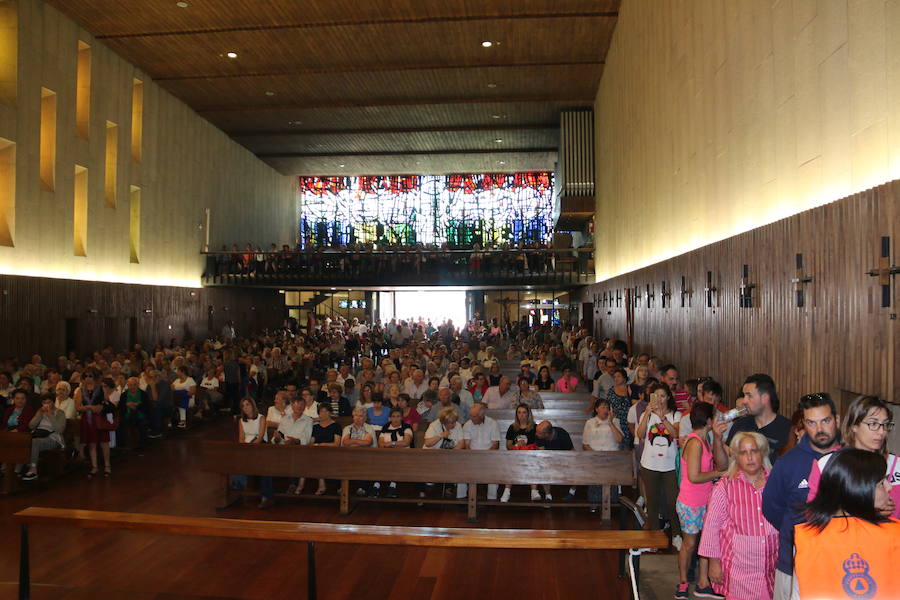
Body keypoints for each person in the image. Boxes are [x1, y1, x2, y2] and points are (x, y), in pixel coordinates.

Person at [761, 392, 842, 600]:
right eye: (811, 423)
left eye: (825, 420)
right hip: (793, 564)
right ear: (803, 425)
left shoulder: (852, 460)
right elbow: (771, 508)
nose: (820, 429)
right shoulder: (787, 463)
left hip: (843, 564)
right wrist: (797, 531)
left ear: (837, 419)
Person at [793, 449, 900, 599]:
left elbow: (798, 594)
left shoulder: (807, 536)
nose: (889, 487)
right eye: (882, 483)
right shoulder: (895, 533)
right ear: (857, 488)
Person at [699, 432, 778, 600]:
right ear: (736, 456)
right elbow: (711, 527)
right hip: (739, 568)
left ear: (762, 453)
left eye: (754, 451)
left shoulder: (776, 482)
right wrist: (714, 563)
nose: (749, 457)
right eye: (743, 452)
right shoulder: (726, 486)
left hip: (772, 567)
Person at [674, 402, 727, 600]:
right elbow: (694, 476)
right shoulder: (695, 442)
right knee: (689, 544)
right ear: (707, 421)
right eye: (713, 417)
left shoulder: (706, 440)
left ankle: (704, 582)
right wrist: (718, 473)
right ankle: (682, 582)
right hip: (690, 502)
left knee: (706, 541)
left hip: (705, 500)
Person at [635, 381, 683, 548]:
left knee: (673, 502)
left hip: (670, 466)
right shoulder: (646, 415)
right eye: (657, 396)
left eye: (663, 396)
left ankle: (677, 534)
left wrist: (662, 417)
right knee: (652, 503)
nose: (660, 399)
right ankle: (654, 537)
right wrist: (648, 413)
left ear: (668, 397)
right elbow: (640, 434)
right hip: (650, 464)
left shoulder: (676, 415)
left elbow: (675, 433)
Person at [841, 395, 898, 517]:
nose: (882, 431)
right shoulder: (830, 463)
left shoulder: (897, 464)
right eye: (873, 423)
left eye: (885, 424)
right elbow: (817, 514)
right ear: (854, 426)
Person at [724, 374, 791, 463]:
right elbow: (726, 464)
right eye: (744, 395)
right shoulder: (739, 425)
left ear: (765, 398)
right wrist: (717, 438)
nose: (744, 401)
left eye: (749, 396)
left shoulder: (787, 429)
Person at [582, 398, 624, 512]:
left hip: (612, 456)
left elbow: (619, 439)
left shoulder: (615, 421)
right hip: (595, 456)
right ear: (596, 409)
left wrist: (610, 423)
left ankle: (612, 503)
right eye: (603, 407)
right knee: (595, 479)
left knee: (611, 479)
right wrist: (595, 455)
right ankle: (594, 503)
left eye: (607, 407)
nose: (605, 410)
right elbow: (585, 444)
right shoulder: (590, 422)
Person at [236, 397, 273, 509]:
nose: (245, 408)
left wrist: (252, 448)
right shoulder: (241, 420)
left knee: (265, 467)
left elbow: (260, 436)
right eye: (243, 406)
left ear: (253, 405)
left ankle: (266, 497)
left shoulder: (261, 418)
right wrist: (244, 447)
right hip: (247, 446)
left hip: (260, 445)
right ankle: (238, 488)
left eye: (247, 404)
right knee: (235, 461)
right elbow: (241, 437)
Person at [460, 403, 501, 500]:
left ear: (482, 415)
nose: (471, 418)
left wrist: (485, 457)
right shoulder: (467, 425)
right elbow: (467, 445)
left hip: (489, 457)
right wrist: (473, 457)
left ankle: (492, 499)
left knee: (493, 471)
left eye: (474, 416)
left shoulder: (492, 423)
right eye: (470, 415)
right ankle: (461, 497)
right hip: (471, 456)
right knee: (461, 470)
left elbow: (495, 445)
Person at [274, 395, 313, 495]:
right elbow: (278, 437)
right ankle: (268, 493)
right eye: (297, 405)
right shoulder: (284, 419)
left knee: (295, 455)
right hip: (284, 449)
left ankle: (293, 484)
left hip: (299, 449)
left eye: (302, 405)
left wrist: (295, 441)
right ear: (292, 406)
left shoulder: (308, 420)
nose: (300, 407)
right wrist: (277, 438)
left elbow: (307, 438)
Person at [501, 403, 540, 503]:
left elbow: (538, 444)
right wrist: (517, 446)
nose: (521, 415)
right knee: (510, 464)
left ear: (528, 414)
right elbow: (508, 445)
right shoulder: (512, 427)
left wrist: (528, 447)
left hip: (530, 456)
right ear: (516, 414)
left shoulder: (535, 427)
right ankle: (506, 492)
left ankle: (534, 491)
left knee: (534, 463)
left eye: (524, 413)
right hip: (515, 456)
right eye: (519, 413)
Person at [535, 420, 577, 502]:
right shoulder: (539, 436)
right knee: (542, 466)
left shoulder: (563, 435)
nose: (536, 434)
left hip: (564, 459)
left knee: (577, 466)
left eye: (539, 433)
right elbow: (542, 453)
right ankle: (548, 495)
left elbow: (571, 453)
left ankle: (572, 492)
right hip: (548, 460)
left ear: (546, 434)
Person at [375, 407, 413, 498]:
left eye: (398, 416)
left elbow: (406, 442)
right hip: (387, 455)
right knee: (379, 461)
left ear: (402, 417)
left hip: (403, 455)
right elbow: (380, 443)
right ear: (390, 418)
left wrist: (392, 443)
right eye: (393, 416)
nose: (395, 419)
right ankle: (376, 486)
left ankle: (393, 486)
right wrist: (389, 446)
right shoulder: (385, 427)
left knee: (395, 461)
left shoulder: (406, 427)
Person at [342, 406, 377, 496]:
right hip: (349, 456)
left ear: (365, 418)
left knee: (363, 462)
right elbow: (345, 442)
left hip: (368, 456)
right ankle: (343, 488)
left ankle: (362, 487)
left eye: (361, 416)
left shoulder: (369, 428)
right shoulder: (347, 428)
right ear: (353, 417)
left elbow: (367, 442)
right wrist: (359, 443)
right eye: (356, 415)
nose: (358, 418)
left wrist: (352, 441)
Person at [310, 404, 342, 495]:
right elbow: (311, 442)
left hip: (332, 451)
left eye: (326, 411)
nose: (323, 414)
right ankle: (321, 484)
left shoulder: (336, 426)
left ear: (330, 413)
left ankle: (339, 485)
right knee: (316, 458)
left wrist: (323, 444)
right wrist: (316, 445)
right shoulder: (315, 427)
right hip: (317, 452)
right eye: (321, 411)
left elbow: (337, 443)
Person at [118, 376, 150, 454]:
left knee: (143, 424)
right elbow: (120, 408)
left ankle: (142, 446)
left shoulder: (143, 394)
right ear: (128, 385)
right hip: (127, 416)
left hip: (141, 416)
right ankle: (124, 446)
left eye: (134, 385)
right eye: (130, 385)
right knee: (121, 424)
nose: (132, 387)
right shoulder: (124, 395)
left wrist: (137, 406)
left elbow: (147, 408)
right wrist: (127, 405)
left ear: (138, 385)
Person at [606, 368, 633, 449]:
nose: (616, 378)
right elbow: (608, 405)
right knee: (617, 443)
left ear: (624, 378)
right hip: (617, 419)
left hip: (629, 420)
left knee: (629, 444)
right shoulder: (611, 390)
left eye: (619, 376)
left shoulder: (630, 388)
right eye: (614, 377)